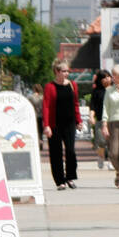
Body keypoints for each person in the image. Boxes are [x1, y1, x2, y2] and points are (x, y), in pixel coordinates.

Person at [42, 61, 82, 190]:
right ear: (57, 72)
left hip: (69, 123)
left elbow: (75, 104)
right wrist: (46, 125)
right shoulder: (49, 87)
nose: (67, 73)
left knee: (70, 151)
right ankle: (60, 181)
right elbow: (46, 106)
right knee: (56, 152)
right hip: (54, 124)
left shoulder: (72, 85)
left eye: (67, 71)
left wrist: (79, 120)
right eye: (64, 71)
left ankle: (69, 177)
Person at [88, 70, 111, 169]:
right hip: (101, 120)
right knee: (101, 142)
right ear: (100, 80)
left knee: (112, 142)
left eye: (108, 76)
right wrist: (91, 116)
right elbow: (92, 106)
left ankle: (111, 161)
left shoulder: (115, 89)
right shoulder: (97, 91)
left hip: (112, 120)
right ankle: (101, 157)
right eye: (104, 77)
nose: (107, 79)